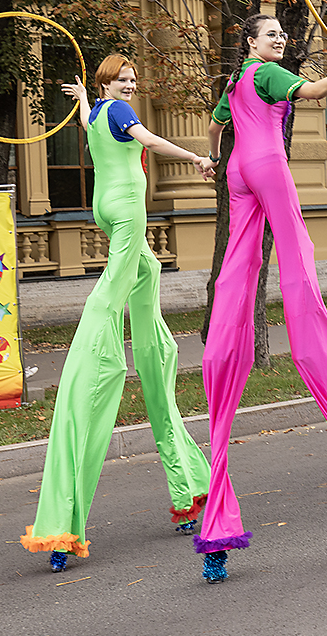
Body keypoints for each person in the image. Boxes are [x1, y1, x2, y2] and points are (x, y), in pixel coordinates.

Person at [195, 14, 327, 584]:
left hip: (236, 171)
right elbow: (316, 90)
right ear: (251, 42)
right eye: (269, 33)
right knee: (300, 271)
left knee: (236, 276)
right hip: (267, 166)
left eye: (282, 33)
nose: (279, 39)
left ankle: (216, 537)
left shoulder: (232, 85)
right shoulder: (270, 76)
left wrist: (214, 162)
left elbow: (214, 129)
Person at [22, 55, 213, 573]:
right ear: (110, 84)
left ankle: (187, 490)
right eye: (123, 81)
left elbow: (86, 118)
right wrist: (195, 158)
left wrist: (84, 96)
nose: (131, 86)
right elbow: (150, 143)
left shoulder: (97, 114)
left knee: (148, 294)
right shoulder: (124, 115)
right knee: (105, 307)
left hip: (103, 209)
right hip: (127, 212)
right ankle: (63, 523)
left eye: (133, 80)